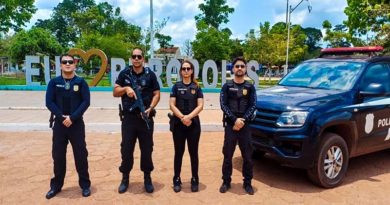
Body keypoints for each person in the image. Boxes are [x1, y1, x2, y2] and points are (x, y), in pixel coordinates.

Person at [113, 48, 160, 194]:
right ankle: (125, 177)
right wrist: (126, 88)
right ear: (131, 59)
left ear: (143, 59)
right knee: (126, 149)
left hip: (145, 118)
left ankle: (147, 177)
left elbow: (157, 94)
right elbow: (115, 92)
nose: (136, 59)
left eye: (139, 56)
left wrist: (150, 107)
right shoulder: (124, 74)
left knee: (147, 149)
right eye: (134, 56)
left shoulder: (150, 75)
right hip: (129, 120)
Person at [45, 54, 91, 199]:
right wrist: (61, 117)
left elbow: (86, 102)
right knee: (58, 156)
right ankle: (56, 186)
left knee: (81, 156)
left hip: (76, 125)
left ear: (75, 65)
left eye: (70, 62)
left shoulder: (81, 82)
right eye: (64, 62)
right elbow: (49, 102)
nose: (67, 64)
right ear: (60, 65)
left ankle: (85, 185)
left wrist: (72, 117)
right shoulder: (54, 82)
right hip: (59, 125)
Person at [219, 56, 256, 195]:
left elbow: (253, 105)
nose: (239, 68)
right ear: (233, 69)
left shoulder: (250, 87)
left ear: (245, 69)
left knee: (247, 156)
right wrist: (234, 120)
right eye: (237, 66)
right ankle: (226, 181)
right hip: (231, 126)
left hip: (245, 127)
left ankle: (247, 183)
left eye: (242, 66)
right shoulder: (227, 86)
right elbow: (223, 105)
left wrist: (242, 120)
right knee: (227, 155)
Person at [169, 60, 204, 192]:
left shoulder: (197, 87)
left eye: (188, 69)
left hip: (193, 124)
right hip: (179, 124)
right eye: (183, 69)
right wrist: (182, 118)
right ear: (180, 71)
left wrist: (189, 117)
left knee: (193, 152)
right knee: (178, 152)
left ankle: (195, 178)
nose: (186, 71)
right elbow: (172, 105)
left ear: (192, 71)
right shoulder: (176, 86)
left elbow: (200, 105)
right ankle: (176, 179)